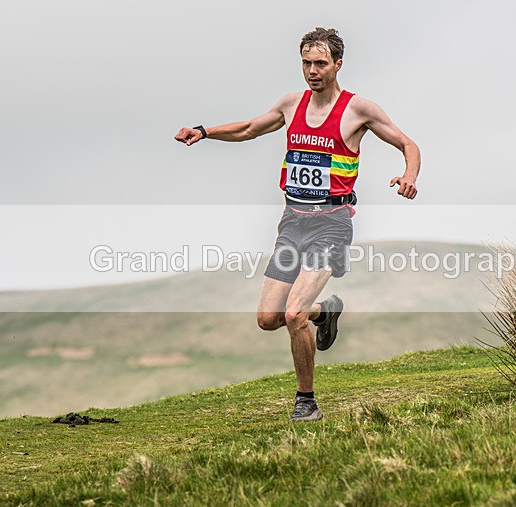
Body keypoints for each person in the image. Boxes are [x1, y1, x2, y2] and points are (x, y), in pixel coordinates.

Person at [174, 27, 420, 421]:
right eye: (306, 63)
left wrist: (409, 175)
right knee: (268, 319)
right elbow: (250, 129)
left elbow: (409, 144)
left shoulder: (360, 110)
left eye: (321, 63)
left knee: (293, 314)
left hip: (332, 222)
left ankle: (306, 402)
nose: (312, 71)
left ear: (339, 64)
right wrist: (204, 132)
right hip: (293, 222)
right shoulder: (292, 104)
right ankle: (326, 312)